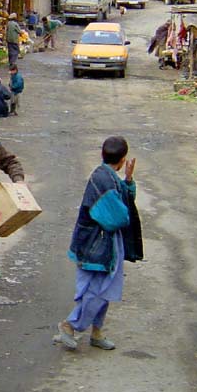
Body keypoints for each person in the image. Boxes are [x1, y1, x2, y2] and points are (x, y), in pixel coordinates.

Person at [55, 136, 140, 352]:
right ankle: (70, 325)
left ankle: (97, 331)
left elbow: (124, 199)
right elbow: (119, 218)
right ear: (122, 159)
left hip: (98, 244)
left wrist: (128, 181)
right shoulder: (104, 181)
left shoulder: (106, 176)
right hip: (97, 246)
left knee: (103, 288)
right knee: (98, 290)